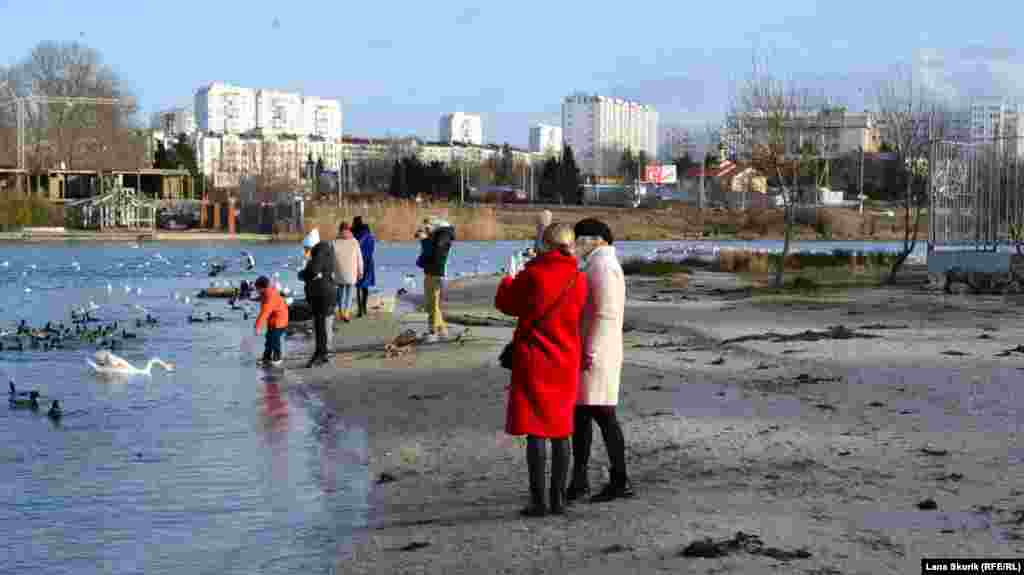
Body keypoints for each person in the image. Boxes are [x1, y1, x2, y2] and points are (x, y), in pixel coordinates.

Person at [495, 223, 589, 517]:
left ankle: (538, 501)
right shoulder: (579, 277)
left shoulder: (534, 274)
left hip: (535, 358)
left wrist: (508, 278)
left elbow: (506, 303)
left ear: (545, 245)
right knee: (561, 430)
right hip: (566, 358)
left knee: (536, 430)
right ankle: (558, 499)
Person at [567, 218, 633, 503]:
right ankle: (579, 480)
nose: (576, 245)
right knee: (582, 417)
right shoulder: (600, 264)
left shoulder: (603, 266)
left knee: (602, 416)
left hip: (596, 352)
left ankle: (619, 480)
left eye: (579, 239)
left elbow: (603, 314)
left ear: (595, 239)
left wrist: (588, 352)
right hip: (595, 350)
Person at [298, 229, 336, 368]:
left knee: (321, 327)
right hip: (321, 294)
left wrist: (303, 275)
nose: (306, 251)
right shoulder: (322, 251)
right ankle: (322, 353)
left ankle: (322, 354)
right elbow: (315, 271)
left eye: (307, 248)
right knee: (320, 327)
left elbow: (313, 271)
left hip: (323, 295)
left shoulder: (320, 251)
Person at [417, 217, 455, 342]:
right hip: (431, 272)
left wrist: (424, 240)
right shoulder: (439, 235)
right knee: (431, 304)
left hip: (436, 273)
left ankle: (433, 331)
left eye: (428, 228)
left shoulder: (443, 235)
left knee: (432, 303)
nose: (427, 231)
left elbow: (435, 253)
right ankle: (441, 329)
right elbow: (432, 251)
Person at [253, 275, 289, 367]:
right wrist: (253, 299)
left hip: (280, 321)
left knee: (274, 340)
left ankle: (277, 358)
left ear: (262, 287)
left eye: (257, 288)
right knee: (268, 339)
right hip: (273, 320)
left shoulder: (270, 297)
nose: (256, 290)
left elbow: (264, 313)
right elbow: (262, 298)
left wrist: (257, 327)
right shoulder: (266, 292)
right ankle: (266, 358)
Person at [332, 222, 363, 323]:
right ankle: (347, 313)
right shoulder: (354, 241)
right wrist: (360, 271)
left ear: (339, 229)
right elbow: (359, 258)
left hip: (339, 272)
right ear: (349, 229)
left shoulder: (335, 242)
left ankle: (340, 311)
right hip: (351, 273)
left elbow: (330, 258)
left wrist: (330, 272)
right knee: (349, 293)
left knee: (340, 292)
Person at [352, 216, 376, 318]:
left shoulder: (353, 235)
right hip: (368, 261)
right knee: (365, 286)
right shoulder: (370, 236)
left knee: (358, 286)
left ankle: (360, 310)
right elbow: (372, 248)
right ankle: (364, 307)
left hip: (357, 261)